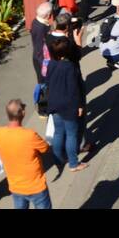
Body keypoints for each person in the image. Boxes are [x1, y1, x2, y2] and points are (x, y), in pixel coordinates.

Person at [0, 99, 53, 209]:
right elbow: (45, 149)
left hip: (16, 188)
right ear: (23, 113)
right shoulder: (30, 135)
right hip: (36, 187)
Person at [45, 38, 87, 172]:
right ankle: (73, 163)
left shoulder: (51, 64)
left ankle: (58, 159)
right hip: (69, 106)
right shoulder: (70, 67)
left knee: (58, 133)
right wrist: (79, 105)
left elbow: (48, 83)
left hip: (54, 103)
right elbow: (74, 89)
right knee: (71, 134)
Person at [31, 2, 53, 84]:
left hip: (39, 58)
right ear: (48, 15)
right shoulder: (40, 28)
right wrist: (45, 65)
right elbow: (39, 48)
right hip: (42, 61)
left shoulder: (37, 21)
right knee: (45, 84)